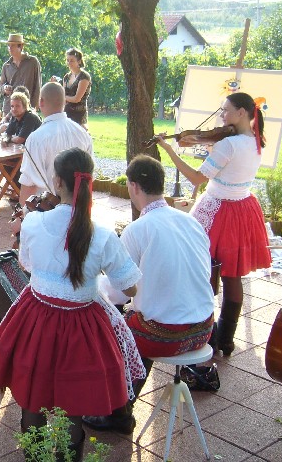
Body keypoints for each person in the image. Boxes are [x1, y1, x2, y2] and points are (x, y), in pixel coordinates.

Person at [0, 147, 143, 461]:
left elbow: (27, 264)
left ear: (58, 182)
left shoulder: (33, 223)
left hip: (36, 315)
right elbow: (130, 287)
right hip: (82, 322)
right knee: (73, 402)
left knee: (33, 395)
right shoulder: (102, 235)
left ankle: (34, 456)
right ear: (90, 182)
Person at [83, 154, 214, 433]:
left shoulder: (137, 229)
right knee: (141, 320)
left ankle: (118, 413)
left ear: (133, 186)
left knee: (114, 330)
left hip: (168, 336)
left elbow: (119, 294)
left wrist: (91, 284)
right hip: (204, 329)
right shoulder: (191, 222)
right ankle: (122, 407)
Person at [154, 92, 271, 357]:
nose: (221, 115)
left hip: (218, 209)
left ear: (241, 113)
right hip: (243, 208)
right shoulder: (256, 140)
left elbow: (197, 178)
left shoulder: (228, 145)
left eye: (226, 110)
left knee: (200, 270)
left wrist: (169, 150)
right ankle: (226, 339)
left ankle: (199, 331)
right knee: (232, 275)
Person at [18, 82, 93, 205]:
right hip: (77, 209)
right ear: (65, 102)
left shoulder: (36, 138)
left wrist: (22, 214)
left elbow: (29, 183)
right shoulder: (83, 134)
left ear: (41, 101)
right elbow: (89, 177)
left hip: (46, 210)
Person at [0, 33, 41, 114]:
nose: (10, 48)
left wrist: (34, 107)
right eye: (8, 45)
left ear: (21, 46)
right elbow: (1, 86)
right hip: (9, 109)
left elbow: (37, 86)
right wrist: (4, 88)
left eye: (13, 45)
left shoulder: (32, 62)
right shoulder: (6, 66)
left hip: (27, 108)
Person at [57, 47, 91, 127]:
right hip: (66, 114)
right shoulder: (66, 77)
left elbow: (76, 99)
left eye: (72, 60)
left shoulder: (84, 76)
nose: (69, 63)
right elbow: (63, 95)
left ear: (79, 61)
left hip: (79, 116)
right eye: (67, 60)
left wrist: (63, 97)